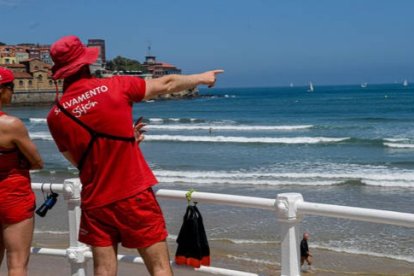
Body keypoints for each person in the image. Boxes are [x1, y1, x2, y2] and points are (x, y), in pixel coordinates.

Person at [46, 35, 223, 276]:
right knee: (159, 267)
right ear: (87, 63)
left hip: (95, 200)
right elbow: (167, 84)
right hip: (132, 194)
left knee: (104, 270)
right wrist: (202, 78)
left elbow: (81, 161)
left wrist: (124, 142)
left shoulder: (56, 115)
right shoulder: (115, 86)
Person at [0, 67, 44, 275]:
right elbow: (36, 162)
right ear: (2, 90)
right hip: (12, 194)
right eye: (11, 87)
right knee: (17, 263)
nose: (13, 92)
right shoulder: (10, 124)